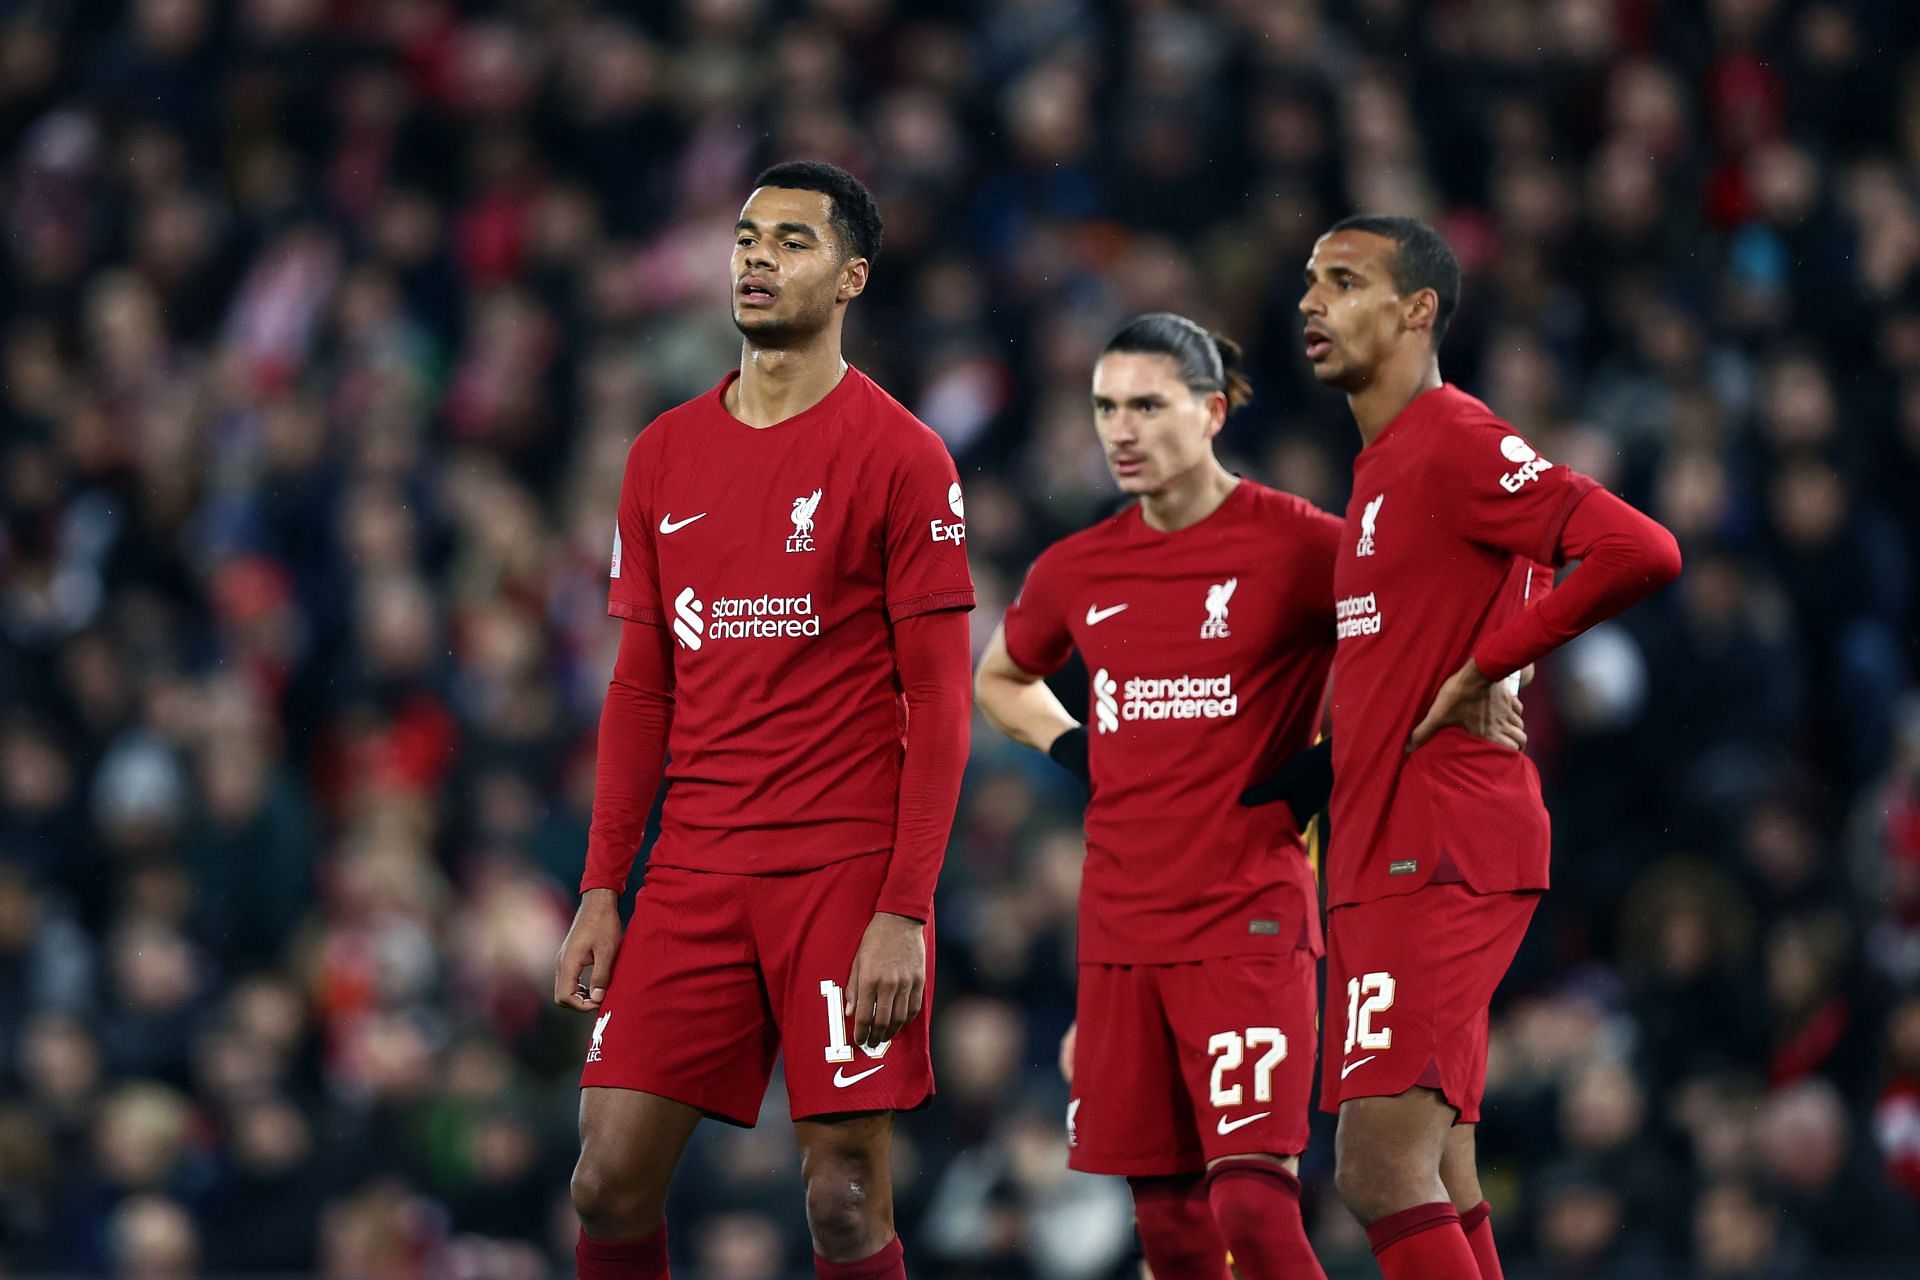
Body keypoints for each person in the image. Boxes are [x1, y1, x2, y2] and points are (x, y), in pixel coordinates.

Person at [976, 312, 1516, 1279]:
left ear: (1214, 411)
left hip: (1248, 914)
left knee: (1253, 1211)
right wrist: (1075, 750)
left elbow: (1440, 603)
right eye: (1105, 408)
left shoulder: (1300, 545)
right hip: (1117, 931)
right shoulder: (1077, 567)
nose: (1120, 431)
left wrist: (1477, 686)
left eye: (1148, 405)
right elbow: (1001, 679)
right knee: (1173, 1234)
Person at [553, 161, 975, 1280]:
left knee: (842, 1197)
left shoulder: (903, 457)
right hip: (693, 867)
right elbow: (641, 688)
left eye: (792, 240)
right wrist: (603, 885)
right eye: (746, 236)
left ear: (851, 279)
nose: (755, 256)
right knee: (605, 1179)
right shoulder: (660, 455)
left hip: (840, 870)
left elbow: (939, 699)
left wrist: (906, 909)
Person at [1297, 214, 1683, 1280]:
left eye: (1343, 281)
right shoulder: (1380, 469)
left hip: (1441, 843)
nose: (1310, 303)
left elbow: (1636, 546)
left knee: (1377, 1166)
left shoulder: (1452, 438)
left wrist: (1492, 662)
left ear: (1419, 311)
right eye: (1309, 282)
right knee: (1444, 1167)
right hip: (1384, 851)